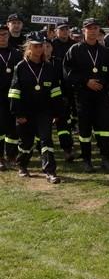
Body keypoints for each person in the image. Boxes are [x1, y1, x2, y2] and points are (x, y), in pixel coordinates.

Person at [63, 18, 109, 173]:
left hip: (102, 96)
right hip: (83, 95)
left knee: (105, 128)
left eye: (95, 28)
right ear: (83, 30)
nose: (93, 31)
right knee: (85, 129)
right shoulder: (75, 50)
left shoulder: (106, 52)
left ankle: (106, 159)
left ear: (99, 30)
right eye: (89, 28)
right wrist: (86, 82)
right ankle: (87, 160)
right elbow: (68, 72)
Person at [9, 32, 61, 183]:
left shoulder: (49, 67)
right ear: (29, 47)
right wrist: (18, 113)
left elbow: (55, 90)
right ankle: (22, 165)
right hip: (25, 111)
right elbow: (14, 91)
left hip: (44, 111)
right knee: (26, 142)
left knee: (46, 140)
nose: (39, 49)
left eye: (41, 46)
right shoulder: (21, 67)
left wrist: (57, 111)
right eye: (35, 46)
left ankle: (50, 171)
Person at [43, 39, 75, 162]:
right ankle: (43, 153)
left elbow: (66, 81)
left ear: (52, 48)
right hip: (42, 100)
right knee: (42, 128)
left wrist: (66, 97)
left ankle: (67, 150)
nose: (45, 49)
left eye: (48, 46)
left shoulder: (59, 62)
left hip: (59, 99)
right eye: (43, 46)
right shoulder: (34, 63)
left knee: (64, 126)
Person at [0, 25, 23, 170]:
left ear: (8, 36)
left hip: (13, 96)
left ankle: (12, 156)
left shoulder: (16, 53)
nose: (2, 37)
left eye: (4, 34)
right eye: (0, 35)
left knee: (13, 128)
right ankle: (0, 158)